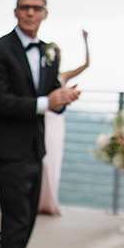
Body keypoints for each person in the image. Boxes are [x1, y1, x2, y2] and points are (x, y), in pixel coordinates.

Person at [0, 0, 80, 248]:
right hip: (6, 149)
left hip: (34, 148)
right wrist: (45, 103)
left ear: (45, 14)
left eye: (36, 8)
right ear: (15, 11)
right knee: (16, 222)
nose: (30, 13)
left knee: (24, 224)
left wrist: (62, 99)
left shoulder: (50, 51)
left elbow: (50, 98)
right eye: (24, 8)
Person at [39, 29, 90, 217]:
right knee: (41, 160)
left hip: (55, 121)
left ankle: (50, 201)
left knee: (52, 160)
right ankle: (38, 201)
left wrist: (86, 42)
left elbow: (85, 65)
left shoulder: (63, 76)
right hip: (42, 116)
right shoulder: (40, 76)